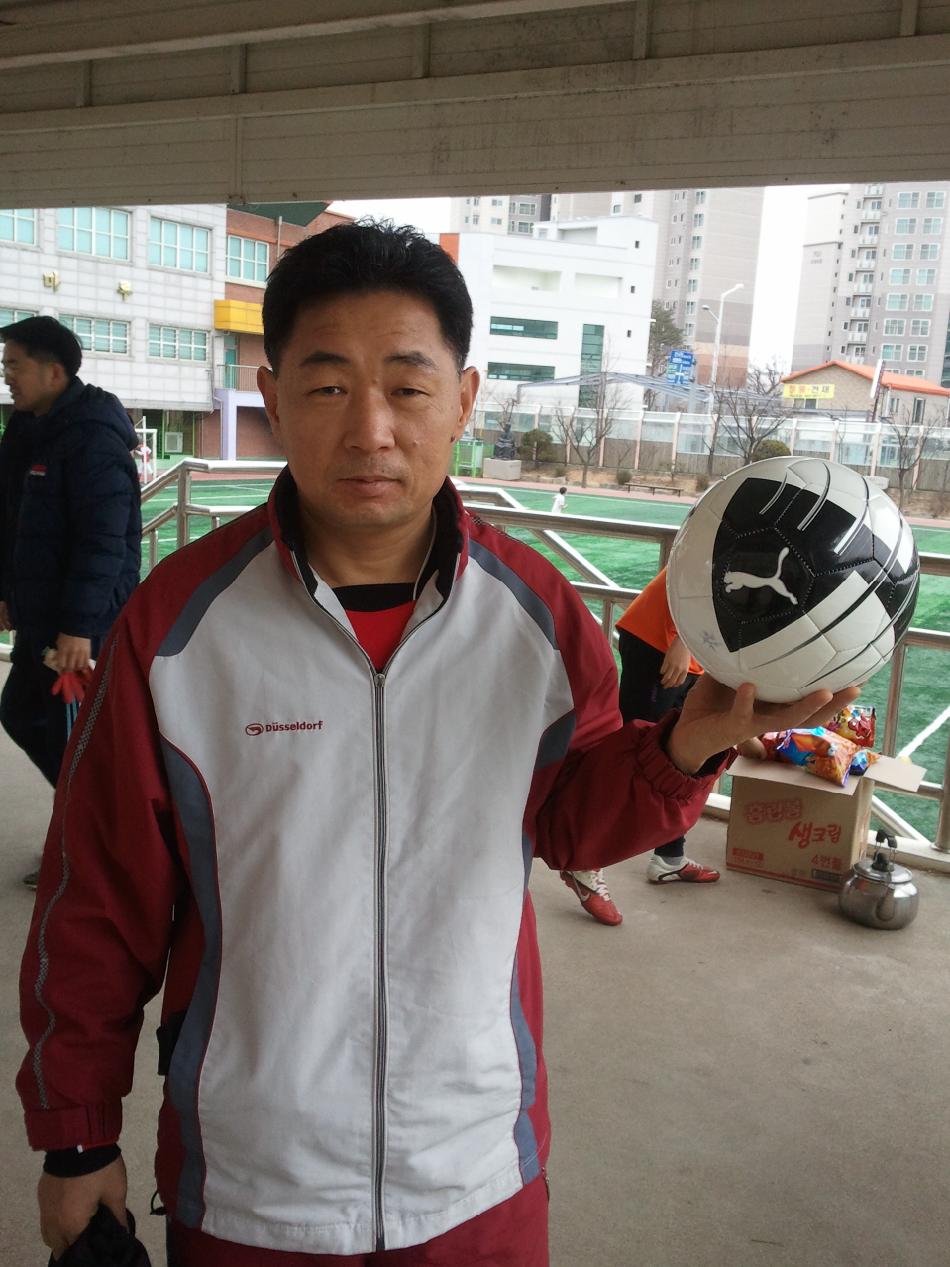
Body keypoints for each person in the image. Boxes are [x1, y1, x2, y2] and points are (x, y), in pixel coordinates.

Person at [18, 223, 857, 1267]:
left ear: (462, 399)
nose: (370, 429)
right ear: (274, 398)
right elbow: (96, 897)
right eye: (328, 387)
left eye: (408, 387)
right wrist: (77, 1134)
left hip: (474, 1174)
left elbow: (571, 822)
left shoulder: (536, 614)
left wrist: (684, 746)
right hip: (252, 1186)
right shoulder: (177, 627)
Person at [0, 316, 142, 887]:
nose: (7, 376)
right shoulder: (28, 430)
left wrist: (79, 627)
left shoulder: (93, 439)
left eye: (14, 365)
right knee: (23, 712)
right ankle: (92, 834)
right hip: (42, 616)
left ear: (54, 372)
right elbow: (13, 520)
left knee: (76, 740)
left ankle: (91, 854)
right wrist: (7, 593)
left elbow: (103, 541)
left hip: (81, 627)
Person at [616, 567, 721, 882]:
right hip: (663, 641)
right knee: (637, 753)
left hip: (693, 649)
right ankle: (580, 855)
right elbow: (698, 567)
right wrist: (684, 639)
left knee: (673, 759)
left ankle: (670, 857)